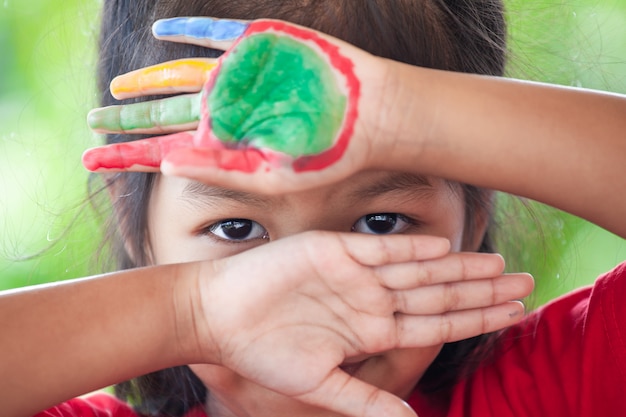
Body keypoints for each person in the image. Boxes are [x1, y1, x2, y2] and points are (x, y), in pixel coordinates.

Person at [1, 1, 624, 417]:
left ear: (476, 210)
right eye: (236, 228)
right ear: (133, 227)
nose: (311, 287)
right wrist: (190, 312)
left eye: (380, 224)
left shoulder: (554, 389)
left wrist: (405, 115)